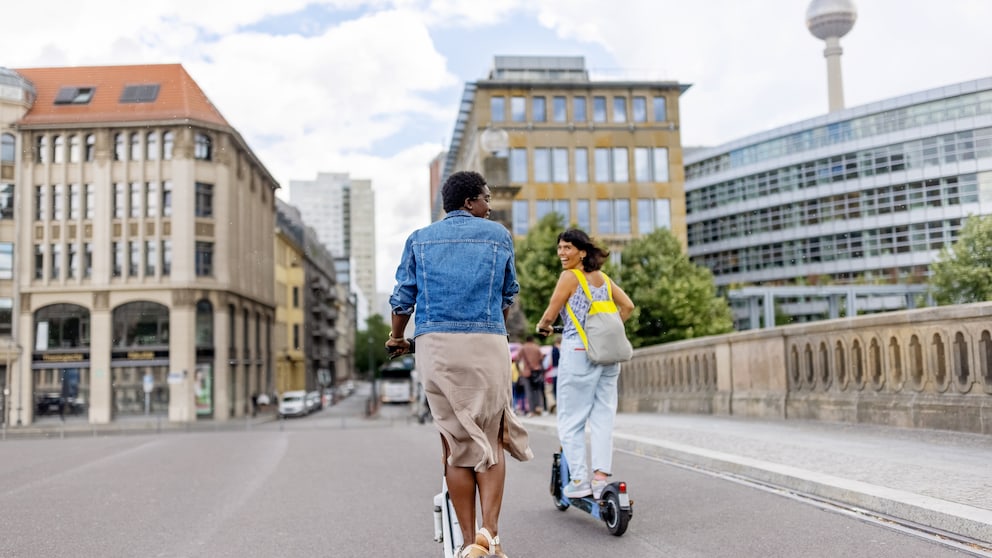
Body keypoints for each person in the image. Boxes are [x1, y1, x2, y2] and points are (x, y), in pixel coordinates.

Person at [386, 170, 533, 558]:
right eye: (485, 198)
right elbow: (508, 293)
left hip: (436, 346)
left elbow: (403, 299)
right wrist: (486, 317)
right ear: (469, 202)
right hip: (487, 342)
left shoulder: (419, 239)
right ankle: (491, 535)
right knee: (491, 438)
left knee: (455, 445)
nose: (490, 206)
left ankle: (469, 544)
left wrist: (397, 338)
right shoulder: (499, 236)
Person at [536, 229, 635, 499]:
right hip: (607, 354)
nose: (561, 253)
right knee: (603, 415)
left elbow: (550, 313)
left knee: (571, 419)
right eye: (559, 248)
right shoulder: (602, 279)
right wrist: (604, 332)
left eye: (567, 248)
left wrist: (543, 326)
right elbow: (627, 306)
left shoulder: (570, 277)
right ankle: (601, 478)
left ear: (582, 252)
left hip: (579, 352)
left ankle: (579, 479)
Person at [516, 336, 546, 416]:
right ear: (533, 340)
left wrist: (520, 371)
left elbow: (517, 360)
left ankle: (532, 411)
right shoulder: (537, 347)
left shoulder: (523, 347)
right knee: (538, 391)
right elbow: (542, 358)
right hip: (536, 372)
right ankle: (539, 408)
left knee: (528, 391)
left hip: (526, 372)